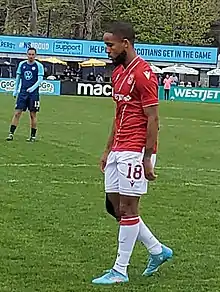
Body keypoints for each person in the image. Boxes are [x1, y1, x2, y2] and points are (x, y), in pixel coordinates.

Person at [92, 21, 173, 285]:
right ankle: (157, 250)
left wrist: (148, 156)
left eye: (110, 45)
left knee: (128, 208)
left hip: (135, 150)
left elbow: (153, 118)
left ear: (125, 44)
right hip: (118, 148)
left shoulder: (143, 73)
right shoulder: (118, 73)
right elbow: (118, 115)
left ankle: (120, 270)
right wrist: (107, 150)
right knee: (115, 207)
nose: (107, 50)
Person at [6, 48, 44, 142]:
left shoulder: (39, 66)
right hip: (23, 93)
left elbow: (40, 80)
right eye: (29, 54)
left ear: (35, 55)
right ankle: (11, 134)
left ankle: (33, 136)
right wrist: (15, 90)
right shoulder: (22, 65)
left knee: (32, 114)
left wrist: (33, 88)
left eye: (33, 54)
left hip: (33, 94)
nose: (31, 56)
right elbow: (18, 78)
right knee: (17, 113)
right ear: (26, 55)